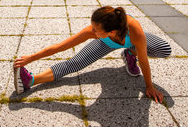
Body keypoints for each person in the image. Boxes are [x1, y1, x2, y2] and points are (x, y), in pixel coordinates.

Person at [14, 6, 171, 103]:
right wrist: (30, 58)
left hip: (133, 42)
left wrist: (149, 86)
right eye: (92, 27)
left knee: (164, 49)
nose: (92, 31)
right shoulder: (95, 32)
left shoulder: (135, 31)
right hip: (106, 43)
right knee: (75, 63)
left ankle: (130, 53)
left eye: (96, 30)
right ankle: (31, 80)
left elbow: (144, 61)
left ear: (112, 32)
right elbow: (61, 47)